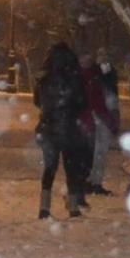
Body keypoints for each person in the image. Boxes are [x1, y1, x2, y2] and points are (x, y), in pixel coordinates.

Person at [33, 41, 94, 219]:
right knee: (71, 169)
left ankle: (44, 208)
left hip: (48, 128)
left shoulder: (44, 79)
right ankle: (73, 207)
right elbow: (82, 103)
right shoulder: (75, 78)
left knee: (49, 169)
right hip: (69, 129)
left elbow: (37, 102)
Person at [84, 52, 120, 194]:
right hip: (100, 118)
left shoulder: (94, 78)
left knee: (95, 153)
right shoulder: (103, 79)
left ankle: (92, 181)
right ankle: (93, 182)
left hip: (97, 118)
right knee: (97, 153)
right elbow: (111, 102)